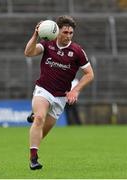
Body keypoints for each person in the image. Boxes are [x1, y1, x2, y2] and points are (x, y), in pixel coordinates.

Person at [24, 15, 94, 170]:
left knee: (42, 132)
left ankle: (35, 117)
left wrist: (75, 90)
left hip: (61, 97)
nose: (68, 36)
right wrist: (36, 35)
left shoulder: (77, 51)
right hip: (43, 89)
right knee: (40, 118)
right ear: (57, 31)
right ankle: (33, 159)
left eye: (70, 33)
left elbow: (90, 74)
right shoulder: (47, 44)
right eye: (65, 32)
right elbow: (28, 53)